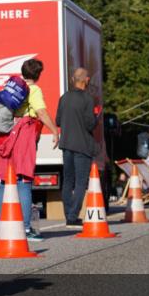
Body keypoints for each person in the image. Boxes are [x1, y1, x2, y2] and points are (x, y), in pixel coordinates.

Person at [0, 59, 59, 242]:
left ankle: (0, 227)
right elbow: (41, 112)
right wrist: (54, 130)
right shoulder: (34, 90)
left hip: (7, 133)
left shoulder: (11, 88)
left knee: (5, 182)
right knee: (24, 181)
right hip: (24, 135)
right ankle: (26, 229)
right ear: (38, 74)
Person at [55, 67, 98, 229]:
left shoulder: (64, 98)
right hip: (82, 146)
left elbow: (58, 121)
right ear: (85, 80)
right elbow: (89, 124)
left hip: (66, 145)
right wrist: (96, 118)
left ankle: (68, 214)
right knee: (80, 182)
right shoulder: (87, 99)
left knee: (68, 181)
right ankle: (73, 216)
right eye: (88, 78)